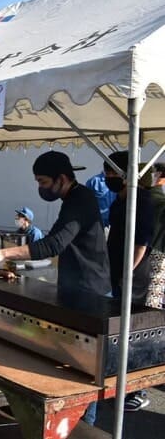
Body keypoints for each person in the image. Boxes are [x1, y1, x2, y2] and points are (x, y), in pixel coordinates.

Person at [0, 151, 111, 296]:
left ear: (62, 179)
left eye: (43, 182)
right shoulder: (73, 198)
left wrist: (3, 253)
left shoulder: (80, 200)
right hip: (76, 285)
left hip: (90, 289)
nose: (40, 187)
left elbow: (53, 244)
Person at [105, 151, 155, 412]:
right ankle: (121, 384)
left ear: (127, 174)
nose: (108, 177)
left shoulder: (142, 200)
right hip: (117, 273)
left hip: (134, 278)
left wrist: (128, 271)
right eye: (107, 171)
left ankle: (138, 389)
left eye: (113, 172)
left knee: (134, 333)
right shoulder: (119, 200)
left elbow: (141, 243)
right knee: (119, 331)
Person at [149, 163, 165, 308]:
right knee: (154, 291)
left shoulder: (153, 195)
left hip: (154, 248)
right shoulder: (156, 196)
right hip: (157, 248)